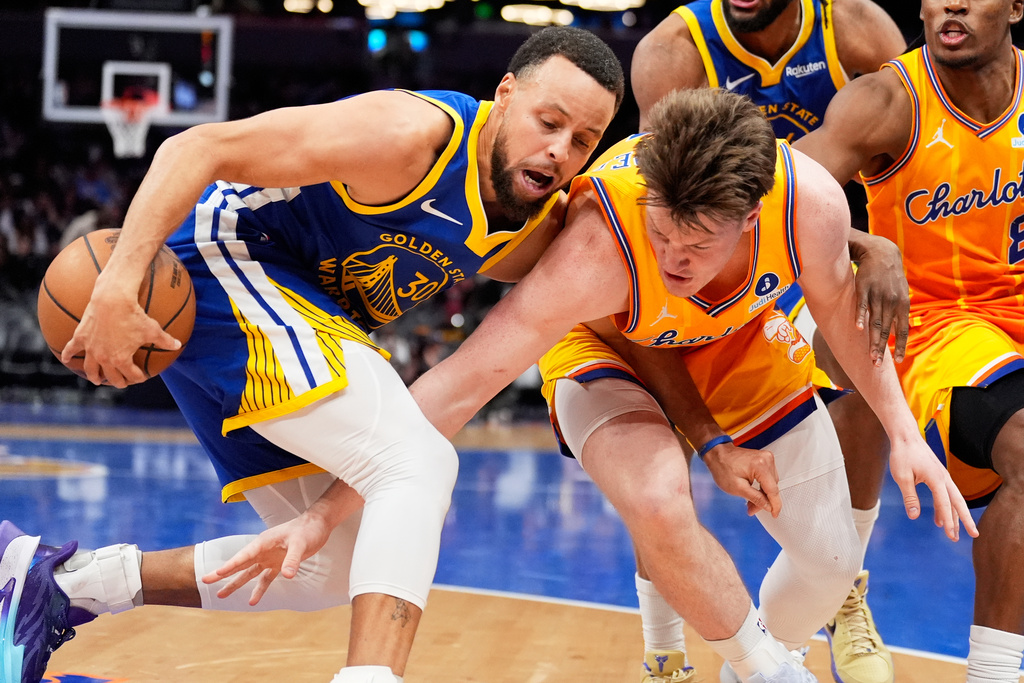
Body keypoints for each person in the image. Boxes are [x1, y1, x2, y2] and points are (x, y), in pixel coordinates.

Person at [209, 88, 978, 683]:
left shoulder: (810, 204)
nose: (673, 257)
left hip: (735, 341)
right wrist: (329, 511)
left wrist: (903, 433)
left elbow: (843, 318)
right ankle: (759, 666)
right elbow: (462, 382)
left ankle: (760, 654)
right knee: (657, 496)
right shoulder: (598, 247)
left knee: (833, 562)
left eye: (696, 243)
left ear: (750, 216)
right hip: (608, 344)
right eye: (662, 231)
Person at [0, 27, 624, 683]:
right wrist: (120, 283)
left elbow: (617, 273)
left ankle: (63, 583)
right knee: (415, 460)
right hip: (223, 259)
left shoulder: (534, 226)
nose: (560, 150)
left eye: (583, 140)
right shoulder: (409, 136)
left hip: (292, 308)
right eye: (548, 121)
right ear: (506, 94)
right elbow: (197, 146)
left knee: (333, 562)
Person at [629, 2, 908, 680]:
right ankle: (663, 647)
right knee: (657, 430)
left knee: (865, 356)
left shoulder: (857, 28)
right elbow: (664, 200)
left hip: (811, 249)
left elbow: (901, 158)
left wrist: (875, 246)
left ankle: (845, 593)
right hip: (703, 255)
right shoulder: (675, 49)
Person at [790, 0, 1024, 679]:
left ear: (1014, 7)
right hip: (935, 324)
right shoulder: (887, 101)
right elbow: (771, 191)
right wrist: (865, 243)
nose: (952, 3)